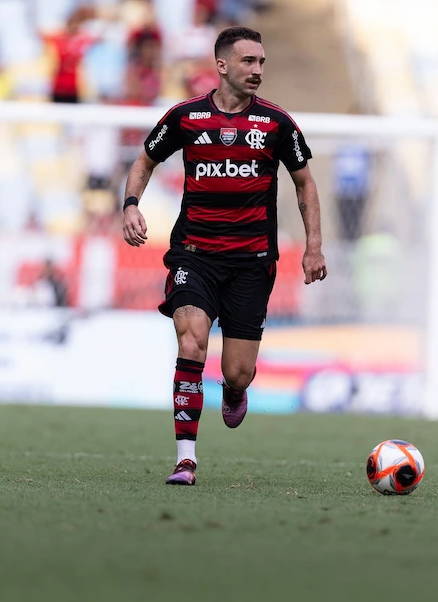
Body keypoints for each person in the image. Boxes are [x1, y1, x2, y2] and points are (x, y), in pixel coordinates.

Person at [122, 27, 327, 487]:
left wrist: (313, 246)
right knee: (191, 340)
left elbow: (304, 183)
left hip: (253, 261)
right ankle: (185, 459)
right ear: (221, 65)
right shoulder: (186, 117)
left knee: (239, 370)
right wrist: (131, 204)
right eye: (248, 62)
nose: (257, 71)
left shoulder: (276, 123)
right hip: (195, 254)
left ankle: (233, 389)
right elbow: (144, 161)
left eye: (261, 63)